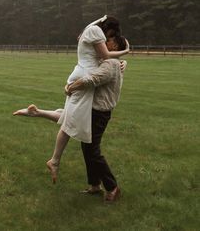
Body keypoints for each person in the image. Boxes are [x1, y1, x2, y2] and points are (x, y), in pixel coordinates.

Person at [14, 16, 129, 184]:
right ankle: (54, 160)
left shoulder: (90, 30)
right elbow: (105, 55)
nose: (109, 39)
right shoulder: (96, 32)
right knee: (71, 121)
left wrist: (123, 61)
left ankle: (37, 112)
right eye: (111, 35)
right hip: (85, 77)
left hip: (81, 72)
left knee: (72, 115)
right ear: (108, 29)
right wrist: (125, 53)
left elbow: (103, 56)